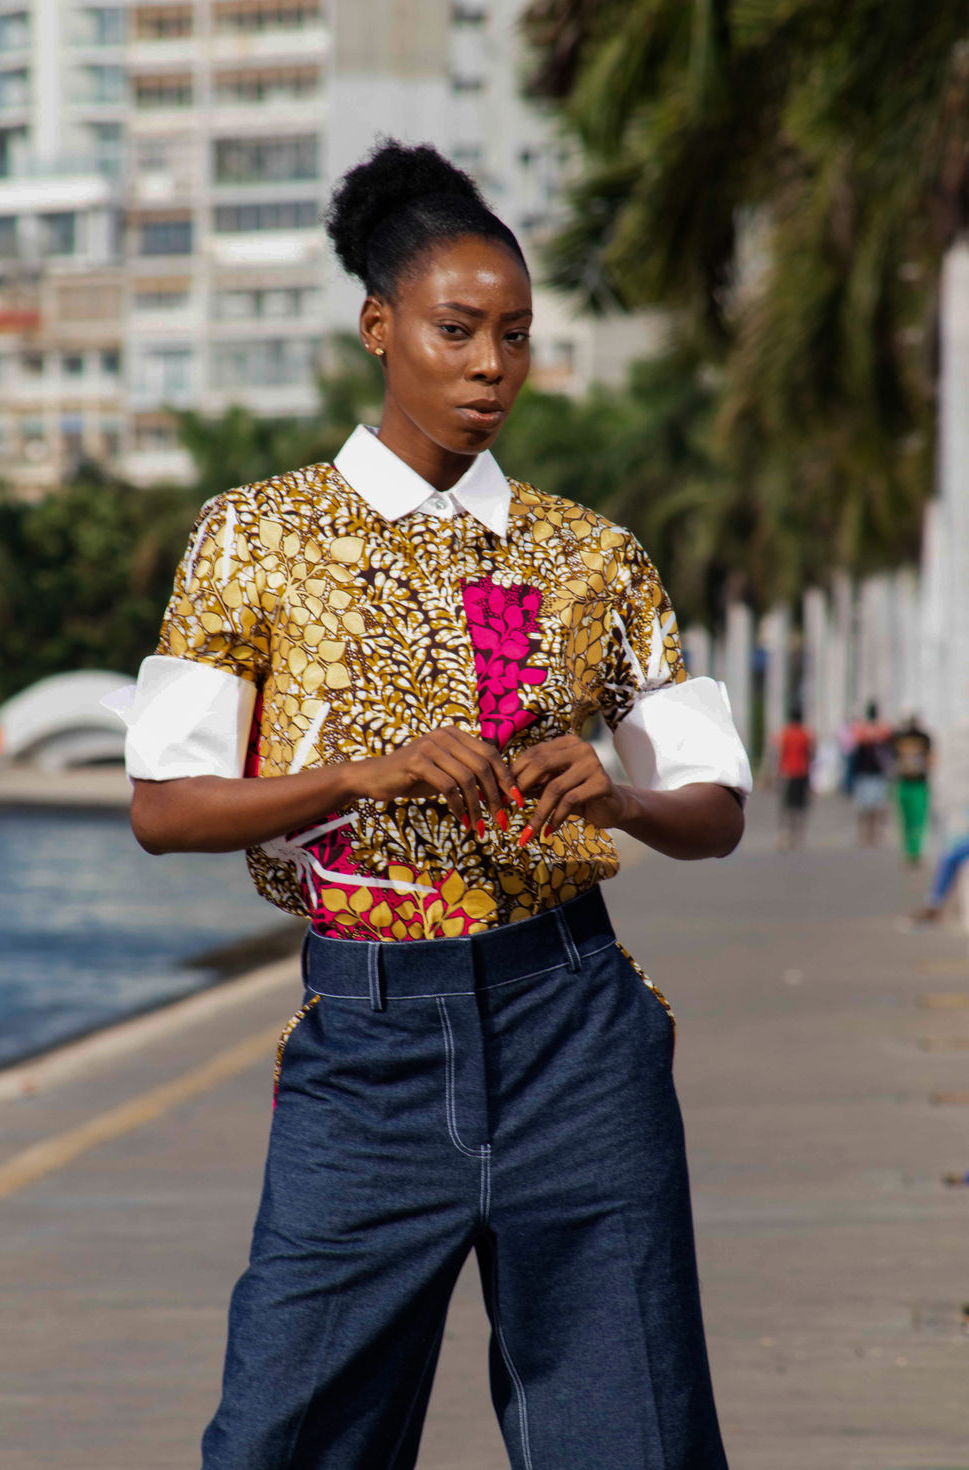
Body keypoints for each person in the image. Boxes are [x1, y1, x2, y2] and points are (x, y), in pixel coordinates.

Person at [121, 141, 752, 1470]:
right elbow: (168, 808)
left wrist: (626, 799)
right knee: (277, 1441)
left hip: (574, 1030)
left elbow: (715, 807)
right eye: (457, 330)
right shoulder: (254, 538)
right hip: (367, 1048)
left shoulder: (593, 557)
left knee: (631, 1440)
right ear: (379, 326)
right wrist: (359, 773)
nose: (489, 366)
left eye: (514, 337)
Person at [890, 713, 933, 865]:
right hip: (905, 783)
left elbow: (931, 759)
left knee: (917, 820)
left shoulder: (924, 738)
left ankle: (915, 850)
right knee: (907, 820)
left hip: (918, 783)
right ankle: (909, 850)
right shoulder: (898, 737)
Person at [851, 701, 892, 847]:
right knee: (866, 806)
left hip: (874, 772)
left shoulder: (881, 730)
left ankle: (872, 833)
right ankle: (866, 833)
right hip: (866, 772)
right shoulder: (863, 730)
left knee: (875, 806)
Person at [773, 705, 814, 850]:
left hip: (788, 772)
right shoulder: (806, 734)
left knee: (787, 806)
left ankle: (787, 834)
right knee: (800, 805)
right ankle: (799, 835)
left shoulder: (785, 733)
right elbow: (810, 754)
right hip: (802, 772)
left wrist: (776, 773)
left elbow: (779, 754)